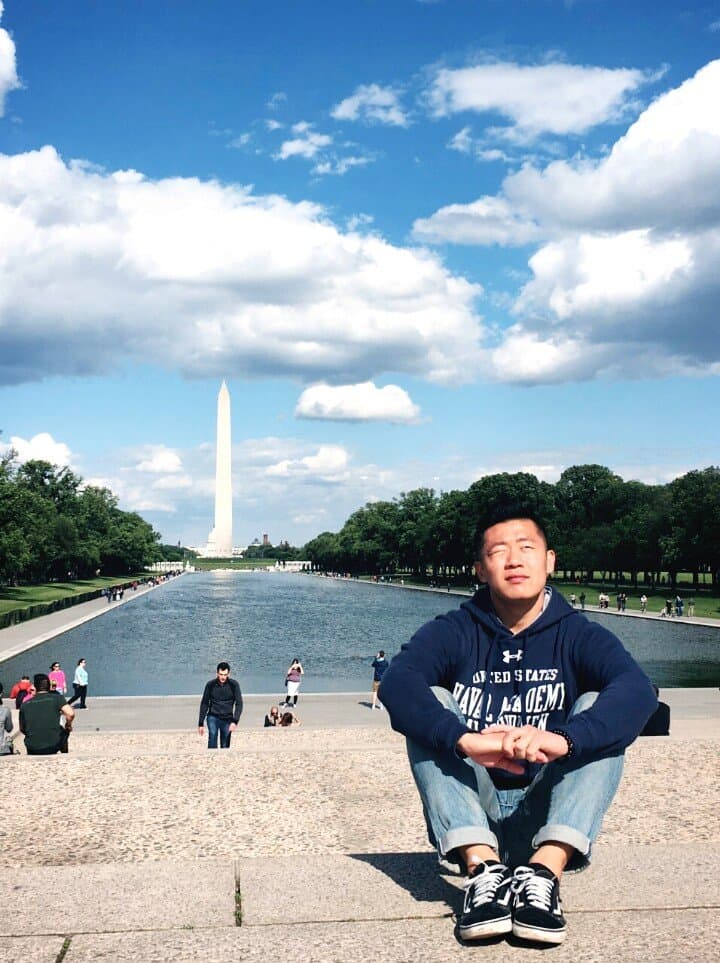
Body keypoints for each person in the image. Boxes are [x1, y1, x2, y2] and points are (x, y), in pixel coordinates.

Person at [379, 507, 656, 947]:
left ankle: (544, 872)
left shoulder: (579, 634)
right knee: (431, 702)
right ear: (480, 568)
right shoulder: (453, 630)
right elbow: (397, 682)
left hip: (544, 810)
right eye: (498, 551)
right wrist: (465, 740)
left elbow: (639, 691)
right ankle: (482, 868)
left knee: (599, 707)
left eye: (527, 548)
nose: (514, 560)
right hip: (475, 807)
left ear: (549, 561)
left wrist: (563, 739)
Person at [19, 674, 74, 755]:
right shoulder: (57, 698)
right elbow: (71, 714)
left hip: (32, 747)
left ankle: (33, 745)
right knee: (64, 730)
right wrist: (68, 725)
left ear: (35, 687)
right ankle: (64, 753)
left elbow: (22, 728)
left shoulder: (25, 704)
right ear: (49, 686)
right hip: (53, 746)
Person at [197, 661, 243, 749]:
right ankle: (211, 757)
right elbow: (204, 703)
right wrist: (200, 723)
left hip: (227, 718)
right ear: (217, 673)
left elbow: (239, 704)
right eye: (221, 674)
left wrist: (235, 721)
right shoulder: (210, 685)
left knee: (225, 744)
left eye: (225, 675)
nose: (223, 677)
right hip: (213, 716)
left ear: (229, 673)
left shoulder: (234, 685)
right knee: (213, 735)